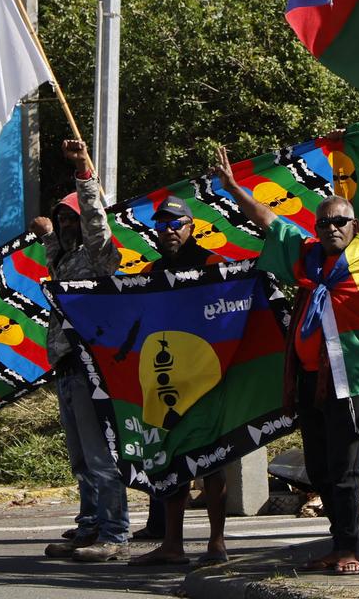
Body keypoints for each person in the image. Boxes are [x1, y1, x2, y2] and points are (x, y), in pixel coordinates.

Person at [213, 144, 359, 577]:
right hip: (309, 379)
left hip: (348, 383)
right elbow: (270, 220)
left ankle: (348, 546)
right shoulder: (309, 259)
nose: (332, 228)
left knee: (346, 469)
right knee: (319, 467)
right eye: (324, 221)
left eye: (340, 221)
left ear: (355, 226)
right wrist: (236, 190)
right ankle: (335, 539)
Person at [34, 139, 129, 563]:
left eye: (70, 217)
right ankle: (90, 524)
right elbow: (55, 259)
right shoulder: (67, 260)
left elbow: (96, 222)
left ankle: (113, 532)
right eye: (62, 218)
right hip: (67, 367)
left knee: (100, 454)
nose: (65, 223)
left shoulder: (99, 255)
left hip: (94, 366)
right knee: (80, 457)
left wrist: (84, 175)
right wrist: (49, 236)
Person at [127, 196, 230, 568]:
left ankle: (217, 542)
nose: (168, 231)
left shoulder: (212, 263)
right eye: (161, 225)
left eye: (176, 224)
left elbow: (229, 314)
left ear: (191, 226)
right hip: (163, 380)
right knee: (169, 460)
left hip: (205, 379)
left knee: (213, 461)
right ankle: (172, 543)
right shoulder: (150, 270)